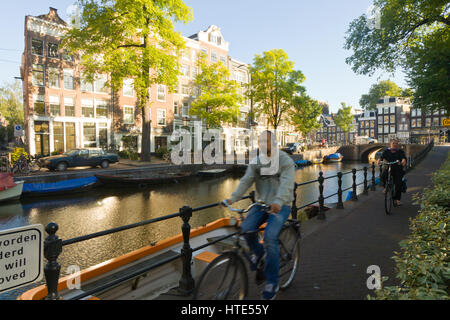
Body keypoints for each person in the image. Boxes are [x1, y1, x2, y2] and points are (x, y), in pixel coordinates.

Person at [224, 130, 295, 300]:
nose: (263, 145)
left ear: (275, 142)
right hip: (262, 204)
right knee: (246, 229)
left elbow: (286, 184)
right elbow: (246, 181)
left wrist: (278, 201)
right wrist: (232, 199)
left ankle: (272, 282)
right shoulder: (256, 162)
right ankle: (261, 254)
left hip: (281, 204)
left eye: (266, 141)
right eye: (260, 141)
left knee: (270, 237)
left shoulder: (285, 161)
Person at [377, 139, 407, 206]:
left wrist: (403, 160)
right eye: (393, 143)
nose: (395, 144)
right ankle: (385, 187)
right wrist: (379, 160)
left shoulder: (400, 151)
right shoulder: (386, 151)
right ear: (390, 144)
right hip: (388, 167)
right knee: (382, 176)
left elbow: (403, 157)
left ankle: (397, 200)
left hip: (397, 169)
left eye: (396, 143)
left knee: (398, 184)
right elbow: (382, 157)